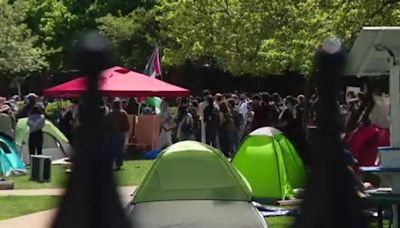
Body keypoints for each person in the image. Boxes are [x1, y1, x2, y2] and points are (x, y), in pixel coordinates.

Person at [105, 99, 130, 170]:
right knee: (119, 149)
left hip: (111, 133)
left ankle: (110, 163)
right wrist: (125, 130)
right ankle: (118, 164)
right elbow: (127, 124)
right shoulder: (123, 113)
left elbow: (106, 124)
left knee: (111, 149)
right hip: (121, 133)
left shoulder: (109, 114)